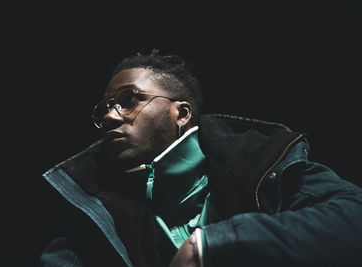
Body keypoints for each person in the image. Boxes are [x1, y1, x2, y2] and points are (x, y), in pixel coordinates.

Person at [39, 50, 362, 267]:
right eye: (105, 108)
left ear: (180, 113)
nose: (110, 116)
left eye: (128, 100)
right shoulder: (89, 205)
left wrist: (216, 244)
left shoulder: (261, 160)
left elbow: (353, 217)